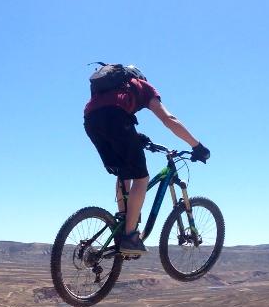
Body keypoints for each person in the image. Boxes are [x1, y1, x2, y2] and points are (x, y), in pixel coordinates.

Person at [83, 64, 210, 255]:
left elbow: (107, 114)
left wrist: (135, 137)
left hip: (91, 121)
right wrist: (197, 146)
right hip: (116, 119)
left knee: (123, 171)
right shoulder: (144, 86)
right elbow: (169, 120)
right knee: (141, 178)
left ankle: (124, 222)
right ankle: (130, 237)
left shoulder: (110, 91)